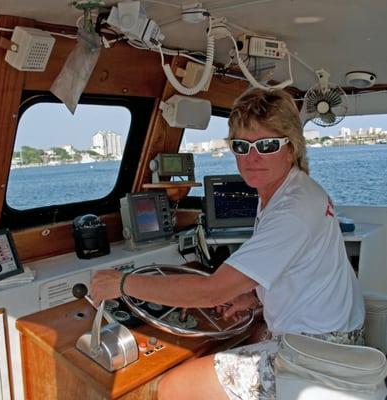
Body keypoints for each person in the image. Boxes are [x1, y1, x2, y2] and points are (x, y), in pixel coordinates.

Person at [91, 88, 365, 400]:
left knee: (173, 388)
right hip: (336, 338)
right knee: (250, 336)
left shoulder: (293, 209)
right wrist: (254, 298)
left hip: (317, 355)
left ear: (291, 148)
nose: (252, 158)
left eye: (267, 145)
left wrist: (122, 283)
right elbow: (300, 273)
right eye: (241, 146)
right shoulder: (290, 190)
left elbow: (212, 292)